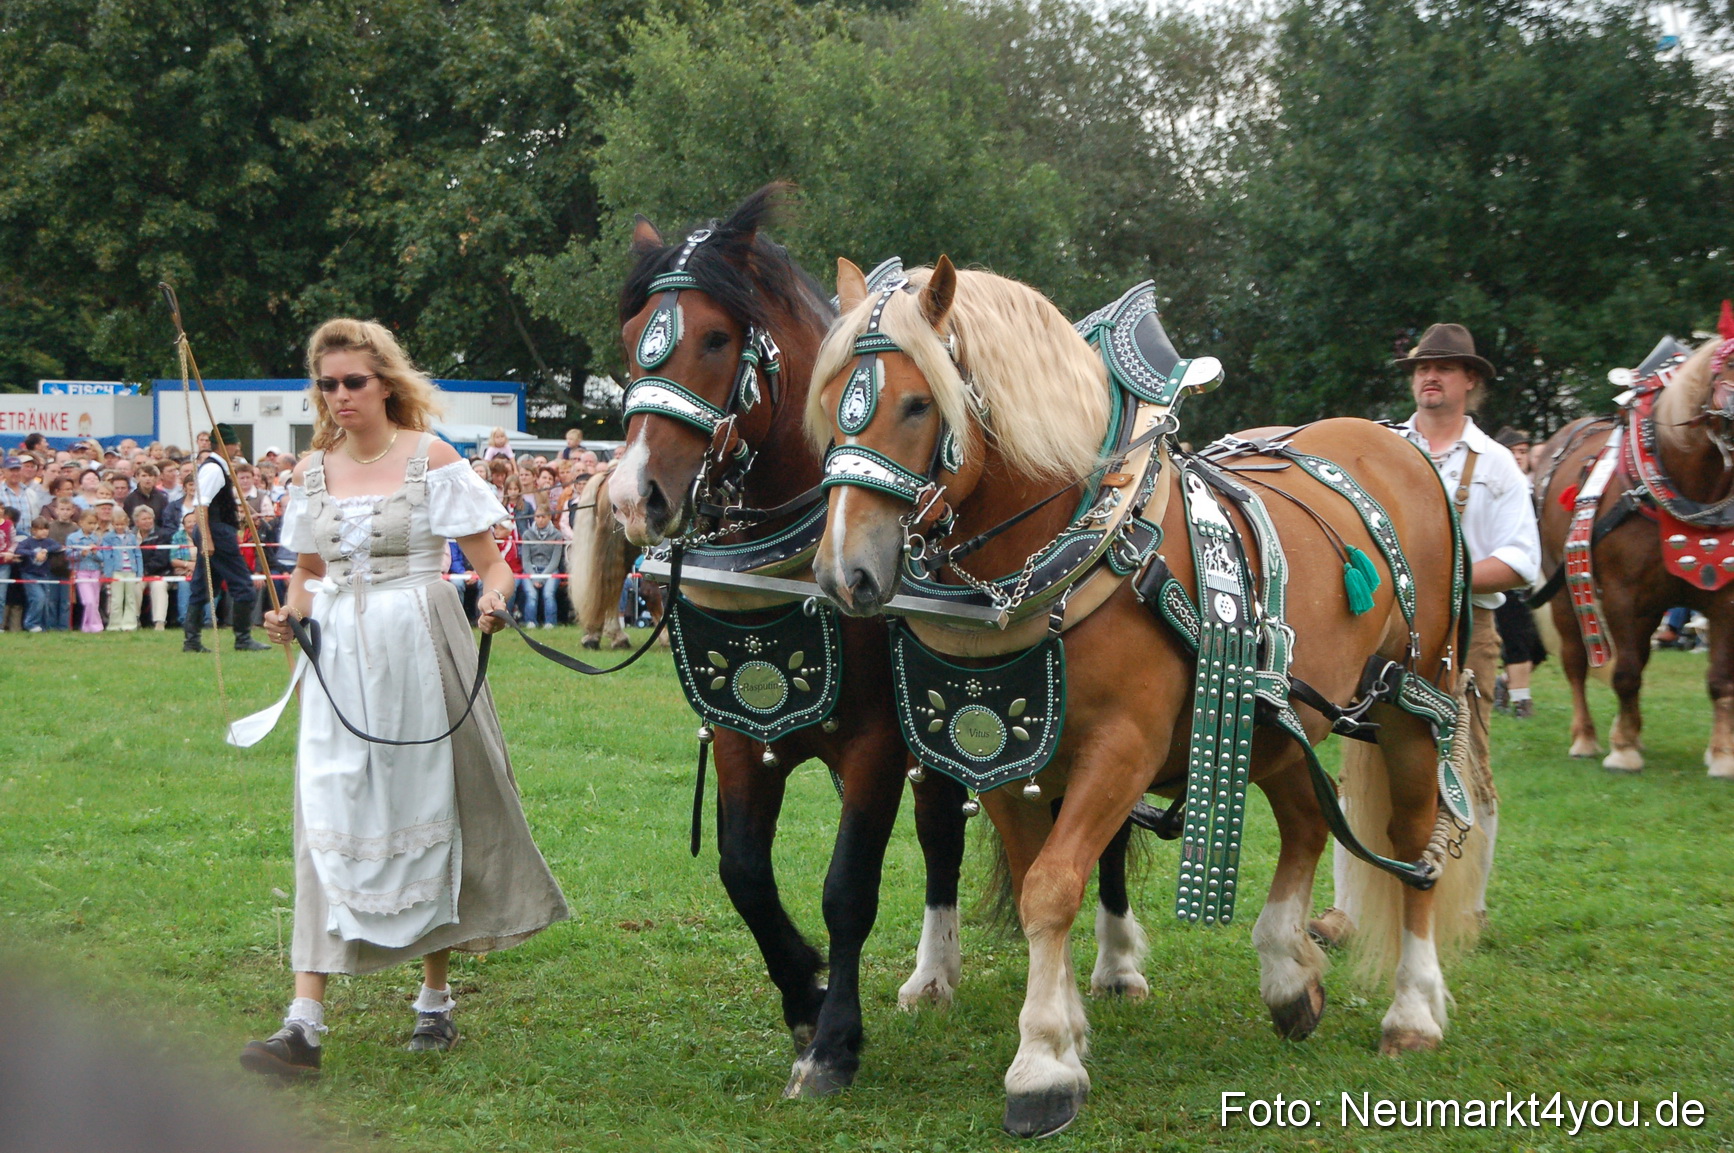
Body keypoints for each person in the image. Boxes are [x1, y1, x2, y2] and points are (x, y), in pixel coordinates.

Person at [230, 317, 568, 1079]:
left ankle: (434, 1000)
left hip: (420, 641)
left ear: (385, 381)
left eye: (354, 380)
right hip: (340, 661)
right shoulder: (311, 472)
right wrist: (289, 615)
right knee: (327, 814)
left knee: (432, 807)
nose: (341, 395)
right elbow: (308, 572)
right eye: (328, 384)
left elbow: (492, 563)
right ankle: (303, 1022)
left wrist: (493, 598)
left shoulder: (431, 458)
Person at [1315, 323, 1539, 948]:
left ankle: (1470, 908)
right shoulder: (1377, 449)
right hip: (1378, 631)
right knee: (1361, 765)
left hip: (1465, 631)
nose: (1428, 376)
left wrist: (1437, 580)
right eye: (1421, 367)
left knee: (1466, 765)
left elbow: (1522, 560)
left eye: (1442, 367)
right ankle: (1347, 910)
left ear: (1471, 381)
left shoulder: (1496, 464)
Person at [184, 424, 271, 653]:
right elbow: (201, 506)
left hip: (215, 530)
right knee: (243, 585)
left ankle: (191, 641)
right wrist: (208, 539)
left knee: (203, 586)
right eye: (234, 444)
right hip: (217, 532)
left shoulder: (216, 467)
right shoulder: (214, 469)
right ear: (224, 445)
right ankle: (243, 639)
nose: (237, 448)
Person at [1489, 426, 1546, 717]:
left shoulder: (1531, 487)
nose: (1519, 456)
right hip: (1502, 570)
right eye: (1513, 451)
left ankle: (1503, 683)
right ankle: (1522, 702)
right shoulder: (1494, 487)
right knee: (1516, 637)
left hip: (1535, 574)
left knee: (1541, 646)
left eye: (1523, 451)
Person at [518, 501, 565, 629]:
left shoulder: (557, 535)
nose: (540, 520)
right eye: (537, 517)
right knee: (531, 595)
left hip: (550, 570)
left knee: (548, 594)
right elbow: (526, 561)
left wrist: (542, 578)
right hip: (531, 570)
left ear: (549, 517)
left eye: (543, 517)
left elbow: (555, 561)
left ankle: (550, 622)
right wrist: (534, 577)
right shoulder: (527, 535)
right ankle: (530, 622)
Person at [16, 517, 62, 632]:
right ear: (33, 530)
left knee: (46, 600)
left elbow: (57, 546)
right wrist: (34, 553)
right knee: (38, 598)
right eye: (41, 529)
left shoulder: (48, 542)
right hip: (29, 574)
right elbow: (18, 550)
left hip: (44, 575)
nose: (44, 532)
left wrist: (46, 550)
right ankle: (30, 623)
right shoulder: (27, 542)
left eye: (46, 529)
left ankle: (43, 625)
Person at [103, 508, 145, 631]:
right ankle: (114, 625)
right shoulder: (108, 538)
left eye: (122, 524)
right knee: (116, 599)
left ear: (127, 523)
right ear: (112, 524)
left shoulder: (131, 538)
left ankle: (129, 624)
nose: (119, 527)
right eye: (117, 524)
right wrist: (108, 573)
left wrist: (139, 572)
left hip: (131, 571)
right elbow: (107, 556)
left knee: (130, 598)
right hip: (116, 572)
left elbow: (138, 555)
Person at [67, 510, 106, 632]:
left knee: (95, 601)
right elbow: (68, 555)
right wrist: (80, 553)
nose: (92, 526)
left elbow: (103, 557)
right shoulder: (72, 538)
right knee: (88, 601)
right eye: (89, 523)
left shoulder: (98, 538)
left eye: (94, 523)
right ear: (81, 522)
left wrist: (95, 553)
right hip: (81, 572)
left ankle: (87, 626)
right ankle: (97, 626)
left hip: (95, 572)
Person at [135, 505, 174, 629]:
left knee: (158, 586)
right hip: (138, 573)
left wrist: (145, 571)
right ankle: (134, 619)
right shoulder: (130, 536)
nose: (147, 521)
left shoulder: (163, 535)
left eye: (149, 518)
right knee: (134, 585)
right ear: (136, 522)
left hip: (159, 573)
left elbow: (161, 559)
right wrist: (138, 572)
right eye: (144, 519)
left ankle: (159, 622)